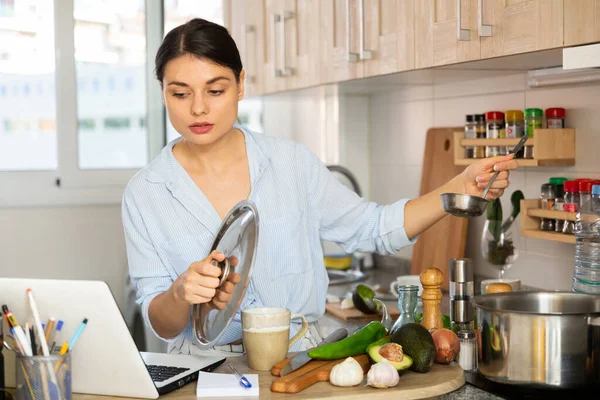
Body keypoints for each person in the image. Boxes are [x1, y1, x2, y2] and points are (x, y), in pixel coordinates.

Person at [122, 18, 518, 357]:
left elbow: (373, 227)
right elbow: (162, 323)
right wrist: (180, 294)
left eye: (215, 89)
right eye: (180, 93)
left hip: (298, 357)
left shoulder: (290, 162)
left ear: (240, 85)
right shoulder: (145, 192)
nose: (198, 109)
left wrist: (455, 189)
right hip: (201, 368)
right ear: (162, 92)